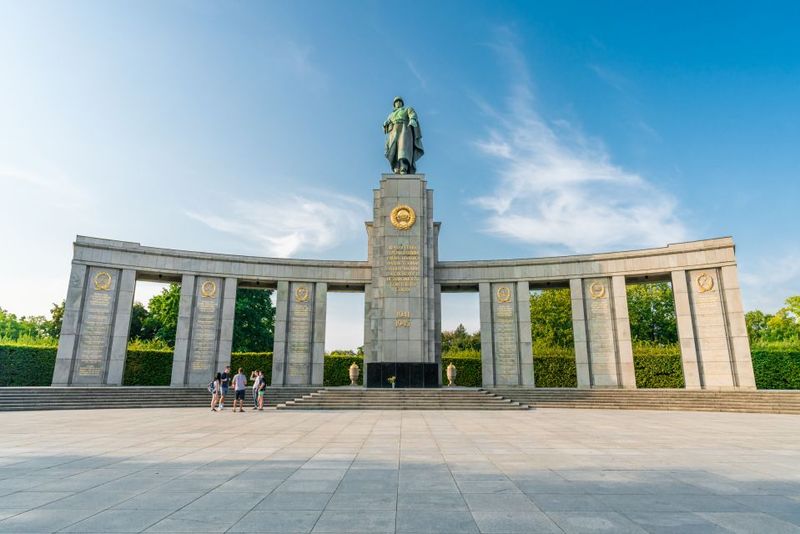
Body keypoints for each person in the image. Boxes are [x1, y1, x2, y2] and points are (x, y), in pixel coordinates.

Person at [383, 96, 423, 174]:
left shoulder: (407, 109)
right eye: (396, 102)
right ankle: (396, 167)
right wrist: (385, 124)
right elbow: (386, 128)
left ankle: (403, 167)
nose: (398, 103)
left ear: (402, 103)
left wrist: (412, 119)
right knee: (394, 149)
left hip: (404, 129)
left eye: (399, 101)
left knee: (403, 149)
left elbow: (412, 114)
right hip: (393, 131)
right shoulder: (391, 115)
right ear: (394, 104)